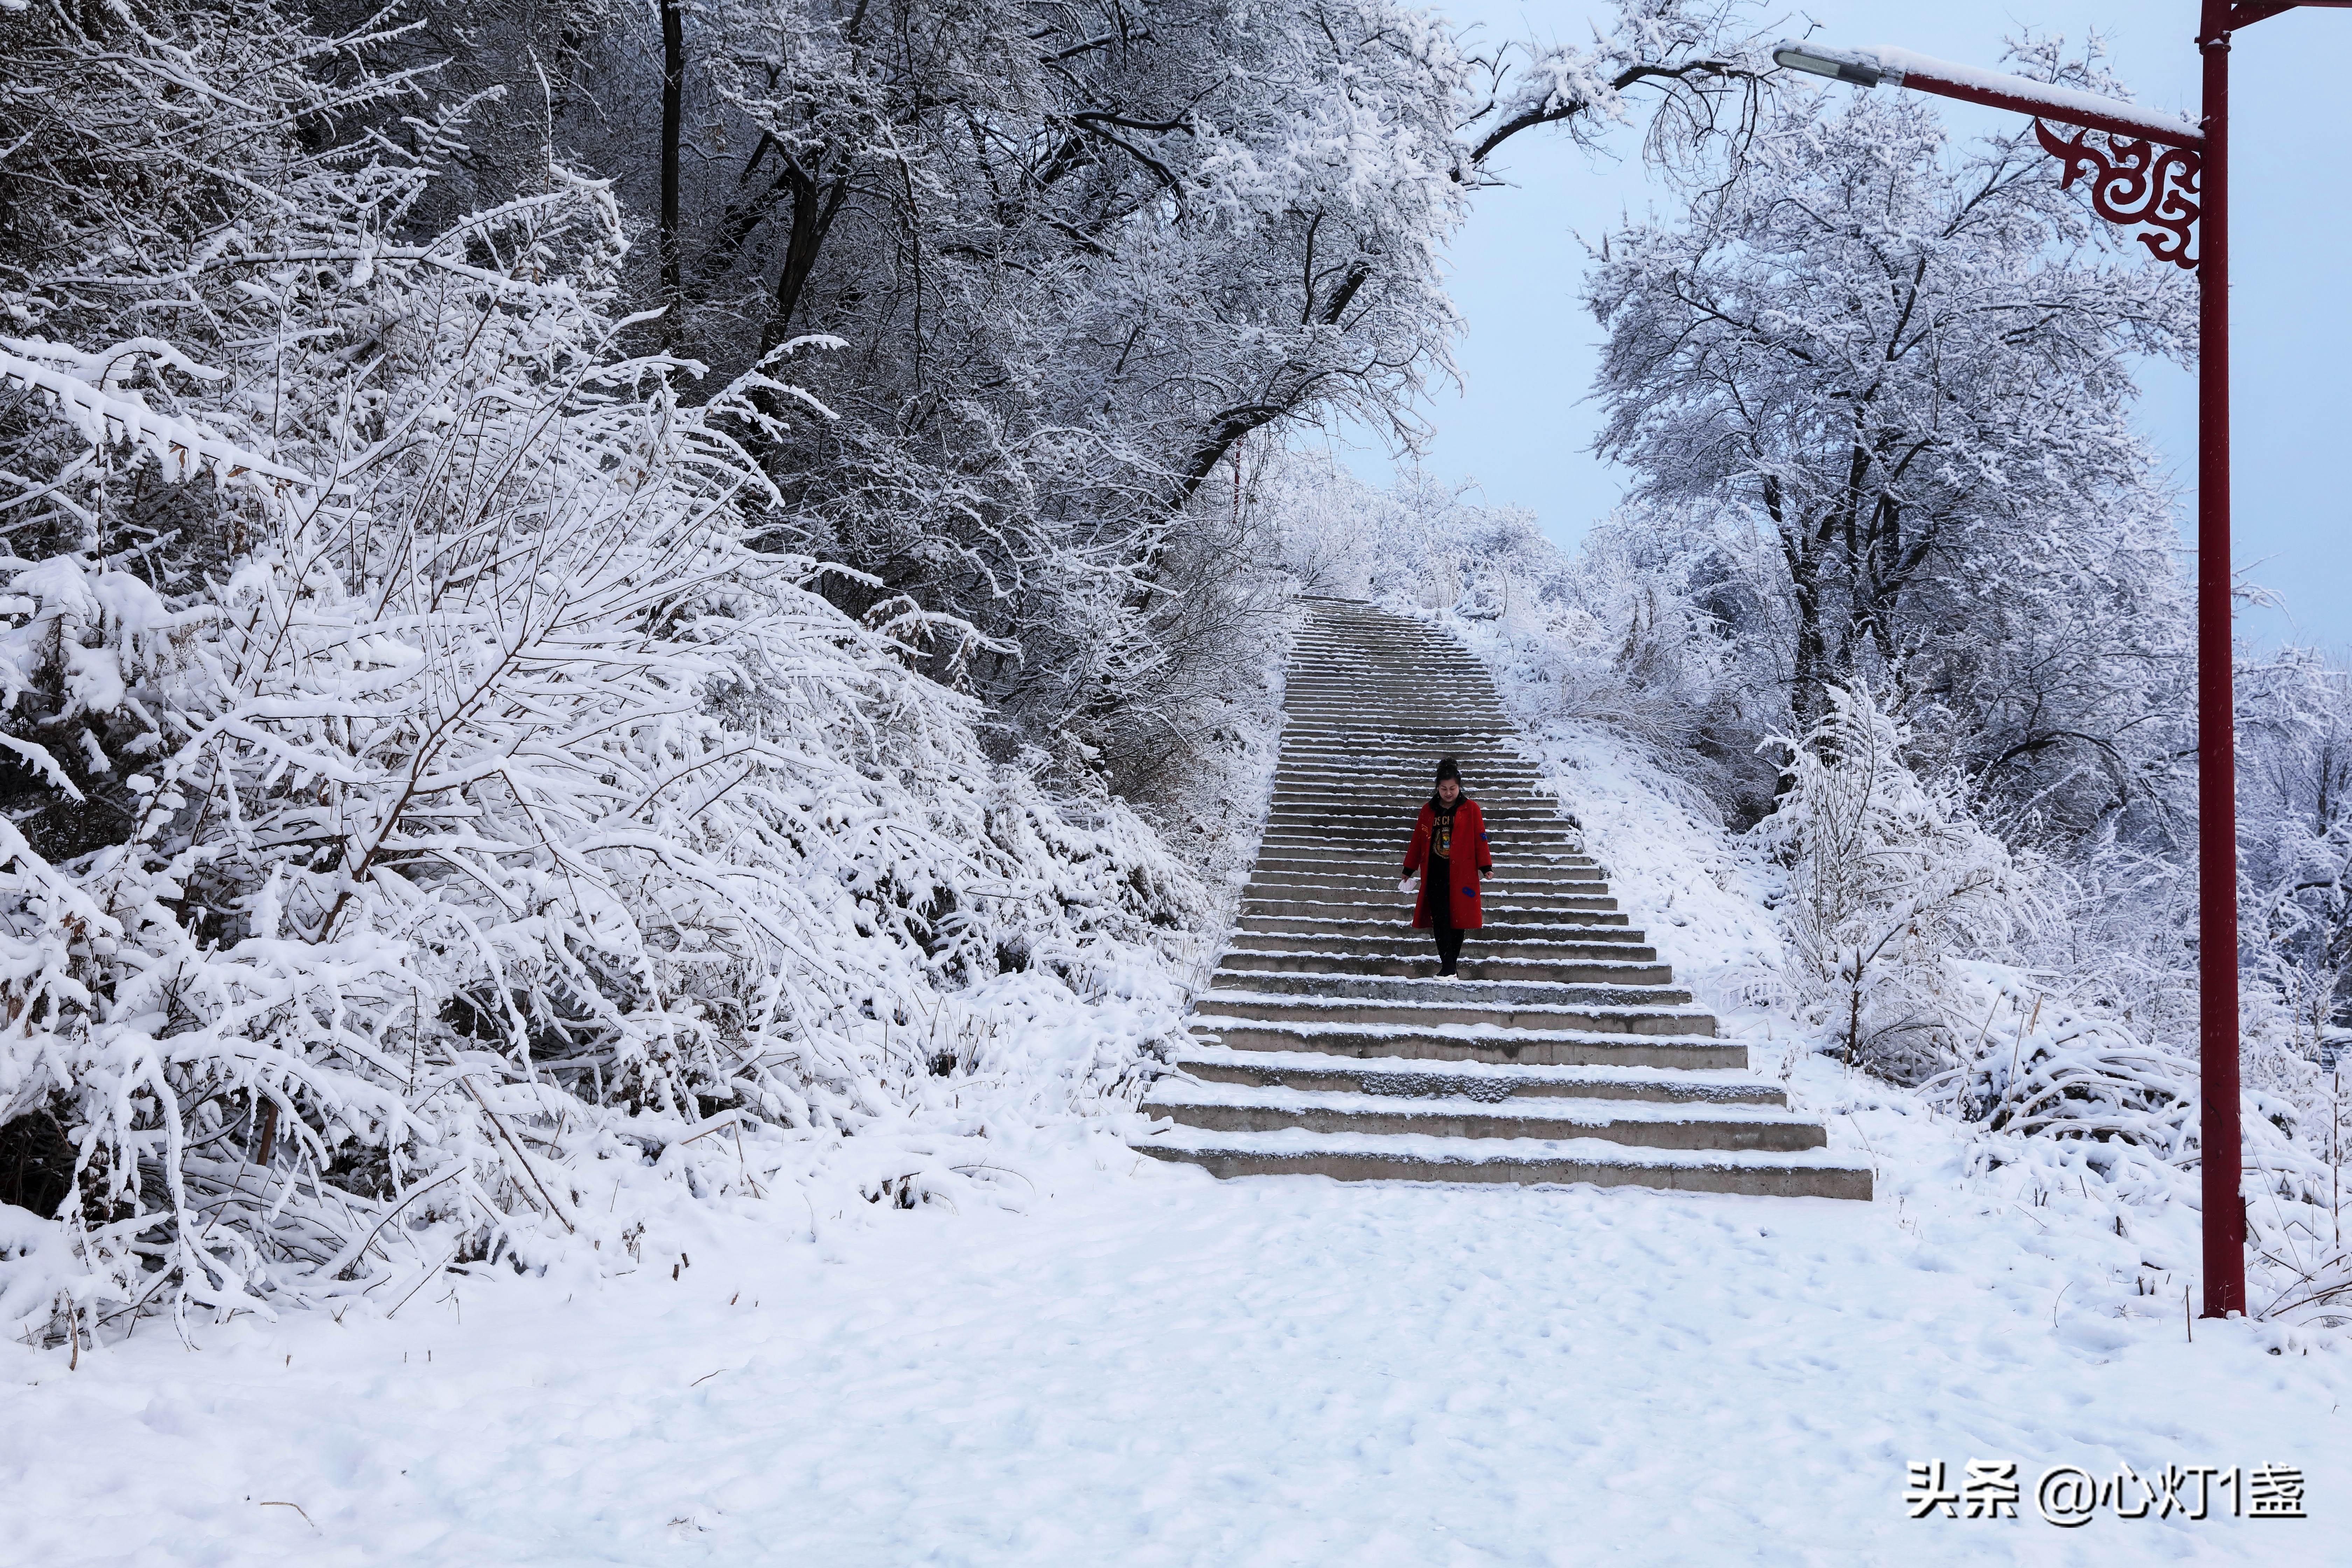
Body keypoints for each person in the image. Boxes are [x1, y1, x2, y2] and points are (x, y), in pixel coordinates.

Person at [1400, 757, 1490, 978]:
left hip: (1462, 876)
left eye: (1453, 788)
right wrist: (1408, 869)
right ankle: (1448, 967)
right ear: (1437, 788)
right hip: (1435, 875)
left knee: (1458, 921)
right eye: (1444, 789)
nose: (1448, 793)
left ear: (1460, 787)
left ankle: (1450, 966)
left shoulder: (1471, 810)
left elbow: (1481, 838)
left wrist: (1485, 865)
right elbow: (1418, 841)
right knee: (1440, 920)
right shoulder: (1428, 811)